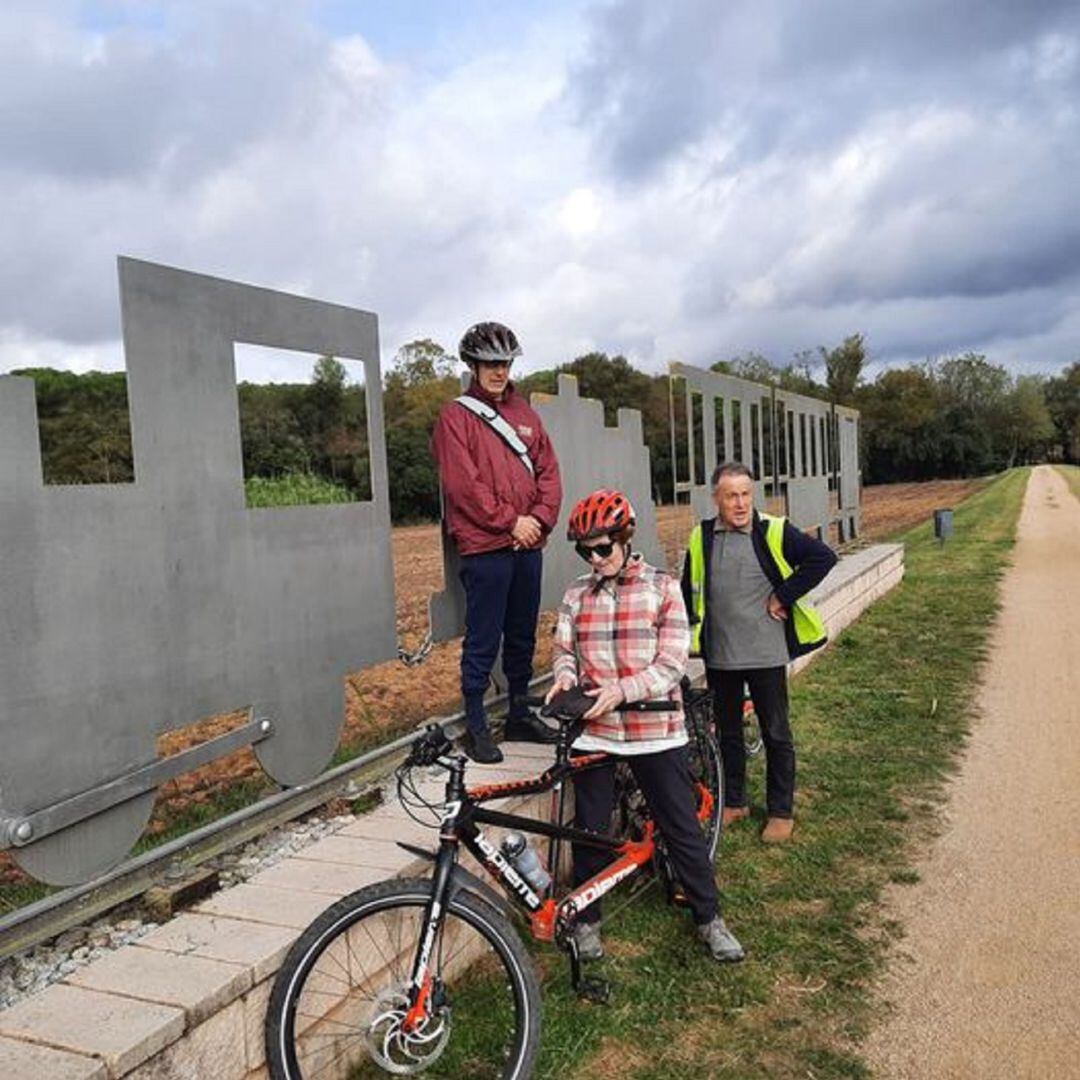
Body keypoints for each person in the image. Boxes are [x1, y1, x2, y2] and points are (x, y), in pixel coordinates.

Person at [547, 488, 744, 963]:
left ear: (625, 538)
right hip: (595, 730)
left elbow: (672, 663)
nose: (595, 558)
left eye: (603, 547)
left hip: (655, 731)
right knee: (589, 831)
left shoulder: (662, 587)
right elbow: (563, 650)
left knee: (680, 827)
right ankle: (588, 922)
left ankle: (709, 919)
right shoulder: (576, 593)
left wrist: (620, 692)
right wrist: (566, 679)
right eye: (585, 550)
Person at [682, 462, 837, 843]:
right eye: (731, 495)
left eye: (746, 494)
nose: (740, 503)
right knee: (729, 733)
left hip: (766, 654)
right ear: (716, 499)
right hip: (721, 655)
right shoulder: (700, 537)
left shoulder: (775, 531)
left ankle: (781, 810)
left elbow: (823, 558)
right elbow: (688, 591)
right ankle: (735, 802)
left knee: (776, 732)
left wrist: (783, 596)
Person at [431, 321, 563, 764]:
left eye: (504, 363)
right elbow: (463, 486)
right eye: (490, 363)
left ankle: (520, 712)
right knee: (484, 637)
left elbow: (549, 472)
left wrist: (540, 520)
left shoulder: (526, 414)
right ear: (473, 364)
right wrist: (511, 522)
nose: (499, 371)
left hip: (527, 545)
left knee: (523, 633)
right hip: (486, 546)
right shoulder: (456, 417)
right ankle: (476, 723)